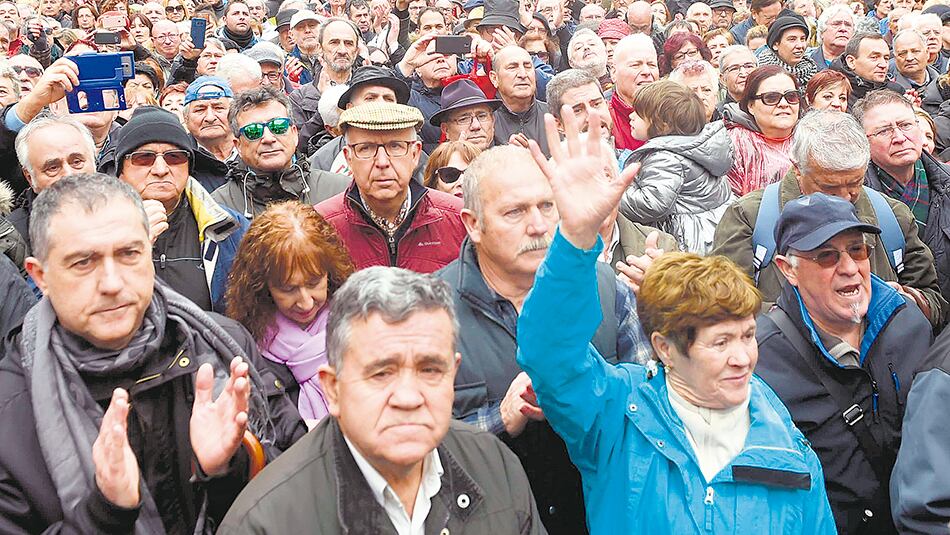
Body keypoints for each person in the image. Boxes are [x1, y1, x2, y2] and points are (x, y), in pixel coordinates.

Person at [514, 109, 836, 535]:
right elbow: (549, 353)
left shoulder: (785, 441)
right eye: (720, 343)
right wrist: (575, 240)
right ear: (665, 347)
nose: (743, 358)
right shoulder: (616, 413)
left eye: (747, 336)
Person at [0, 173, 305, 533]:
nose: (112, 283)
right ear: (40, 276)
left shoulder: (224, 343)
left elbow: (300, 482)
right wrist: (104, 515)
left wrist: (232, 468)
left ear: (150, 249)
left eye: (129, 253)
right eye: (83, 262)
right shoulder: (10, 410)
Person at [218, 266, 544, 534]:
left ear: (453, 371)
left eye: (430, 370)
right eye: (381, 374)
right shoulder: (266, 523)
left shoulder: (495, 465)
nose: (408, 397)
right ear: (333, 388)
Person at [437, 141, 654, 534]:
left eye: (546, 206)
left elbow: (650, 411)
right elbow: (418, 445)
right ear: (473, 224)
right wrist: (499, 419)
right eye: (515, 212)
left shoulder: (607, 287)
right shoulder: (430, 311)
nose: (537, 226)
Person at [755, 192, 933, 534]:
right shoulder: (764, 359)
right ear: (787, 269)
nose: (850, 268)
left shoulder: (908, 322)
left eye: (857, 249)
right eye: (826, 256)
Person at [712, 109, 946, 328]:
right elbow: (724, 306)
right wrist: (805, 319)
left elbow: (935, 303)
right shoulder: (749, 218)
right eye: (829, 187)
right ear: (798, 170)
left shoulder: (893, 216)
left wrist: (906, 302)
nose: (845, 197)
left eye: (855, 183)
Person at [225, 201, 355, 429]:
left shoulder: (359, 325)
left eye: (314, 283)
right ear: (262, 287)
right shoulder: (246, 349)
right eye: (288, 289)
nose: (305, 302)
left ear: (330, 274)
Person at [116, 106, 248, 313]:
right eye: (144, 158)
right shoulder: (95, 232)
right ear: (121, 171)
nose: (160, 170)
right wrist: (128, 247)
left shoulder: (230, 228)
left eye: (174, 157)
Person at [315, 102, 465, 272]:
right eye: (366, 148)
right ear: (348, 158)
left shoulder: (459, 220)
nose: (382, 162)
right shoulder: (321, 227)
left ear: (415, 154)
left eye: (395, 146)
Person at [856, 90, 950, 301]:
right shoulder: (854, 198)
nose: (899, 137)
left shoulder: (946, 182)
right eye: (883, 131)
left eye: (906, 125)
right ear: (863, 142)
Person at [621, 80, 733, 254]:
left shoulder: (665, 157)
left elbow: (652, 204)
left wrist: (614, 195)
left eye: (639, 113)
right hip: (716, 231)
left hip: (690, 240)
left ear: (663, 124)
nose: (631, 116)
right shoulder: (694, 147)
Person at [213, 86, 350, 218]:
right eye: (253, 131)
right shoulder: (218, 207)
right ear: (238, 146)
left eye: (278, 126)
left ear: (294, 134)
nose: (268, 138)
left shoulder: (341, 190)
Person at [8, 114, 96, 254]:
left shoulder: (126, 215)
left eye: (77, 162)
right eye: (53, 168)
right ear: (30, 177)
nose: (69, 174)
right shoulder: (12, 240)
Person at [308, 64, 413, 175]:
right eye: (370, 98)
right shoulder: (322, 161)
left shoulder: (413, 151)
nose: (381, 104)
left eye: (389, 99)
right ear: (350, 108)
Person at [724, 65, 799, 196]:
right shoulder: (733, 144)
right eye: (771, 98)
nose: (783, 103)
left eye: (791, 96)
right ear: (751, 106)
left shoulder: (810, 138)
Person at [490, 45, 550, 156]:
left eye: (527, 67)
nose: (523, 74)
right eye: (512, 67)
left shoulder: (553, 115)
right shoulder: (486, 123)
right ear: (494, 78)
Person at [609, 33, 658, 151]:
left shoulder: (672, 114)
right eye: (636, 65)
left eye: (652, 65)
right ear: (614, 73)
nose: (646, 71)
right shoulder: (605, 118)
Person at [831, 32, 903, 105]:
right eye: (874, 58)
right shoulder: (833, 93)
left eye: (886, 58)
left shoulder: (896, 93)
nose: (883, 65)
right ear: (851, 62)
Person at [432, 78, 500, 152]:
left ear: (493, 121)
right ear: (446, 129)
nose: (476, 126)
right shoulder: (441, 163)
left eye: (482, 116)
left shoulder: (509, 159)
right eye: (463, 119)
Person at [758, 14, 818, 88]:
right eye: (792, 39)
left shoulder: (813, 72)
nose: (800, 46)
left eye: (802, 39)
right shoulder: (761, 78)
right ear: (775, 45)